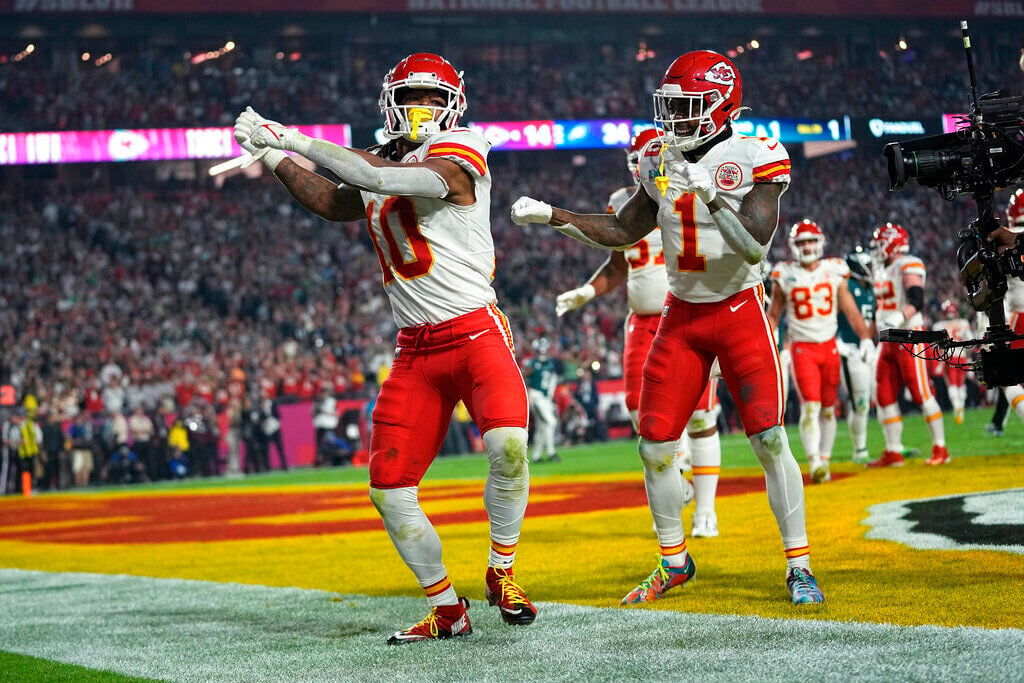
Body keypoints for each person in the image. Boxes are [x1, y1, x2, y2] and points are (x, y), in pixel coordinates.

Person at [235, 52, 535, 643]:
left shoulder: (464, 149)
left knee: (509, 447)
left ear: (452, 104)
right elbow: (332, 200)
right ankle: (447, 610)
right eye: (410, 96)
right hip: (415, 351)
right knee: (388, 488)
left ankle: (502, 571)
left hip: (475, 332)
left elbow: (377, 178)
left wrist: (293, 137)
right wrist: (272, 156)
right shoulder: (377, 161)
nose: (419, 108)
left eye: (430, 97)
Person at [511, 50, 823, 605]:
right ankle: (674, 560)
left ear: (720, 105)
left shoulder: (757, 153)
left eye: (685, 106)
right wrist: (555, 216)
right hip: (680, 316)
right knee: (654, 442)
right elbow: (624, 228)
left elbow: (755, 242)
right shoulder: (658, 156)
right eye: (669, 106)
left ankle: (798, 563)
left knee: (771, 439)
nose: (672, 118)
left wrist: (710, 193)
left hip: (738, 309)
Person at [556, 128, 713, 534]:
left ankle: (706, 512)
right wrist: (586, 291)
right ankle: (678, 481)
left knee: (699, 415)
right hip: (641, 320)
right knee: (636, 408)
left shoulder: (690, 189)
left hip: (687, 312)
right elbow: (617, 264)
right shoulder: (619, 202)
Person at [768, 220, 874, 483]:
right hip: (802, 348)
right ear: (794, 246)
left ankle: (824, 460)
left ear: (820, 243)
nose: (807, 246)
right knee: (811, 406)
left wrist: (865, 338)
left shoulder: (835, 270)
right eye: (801, 242)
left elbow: (849, 307)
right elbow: (774, 315)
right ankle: (814, 458)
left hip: (829, 346)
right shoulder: (784, 273)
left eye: (811, 241)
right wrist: (771, 345)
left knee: (828, 409)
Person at [869, 223, 950, 467]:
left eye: (880, 243)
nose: (876, 249)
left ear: (892, 243)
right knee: (883, 393)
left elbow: (916, 300)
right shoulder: (881, 268)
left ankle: (941, 447)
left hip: (908, 336)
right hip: (887, 339)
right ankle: (893, 451)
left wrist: (898, 318)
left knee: (921, 392)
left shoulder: (908, 263)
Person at [836, 247, 877, 463]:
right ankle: (859, 450)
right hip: (849, 348)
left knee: (866, 400)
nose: (870, 269)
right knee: (859, 401)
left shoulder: (870, 289)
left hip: (867, 350)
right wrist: (837, 340)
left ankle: (862, 446)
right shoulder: (846, 286)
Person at [930, 300, 972, 425]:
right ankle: (962, 407)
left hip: (948, 357)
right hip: (962, 356)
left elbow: (935, 347)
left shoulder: (938, 326)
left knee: (952, 384)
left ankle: (957, 406)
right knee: (960, 384)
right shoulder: (963, 323)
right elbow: (970, 340)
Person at [522, 338, 561, 463]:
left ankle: (536, 456)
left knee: (542, 427)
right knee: (551, 422)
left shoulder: (550, 363)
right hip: (536, 396)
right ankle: (551, 452)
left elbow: (553, 379)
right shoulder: (532, 364)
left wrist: (550, 397)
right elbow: (523, 376)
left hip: (545, 398)